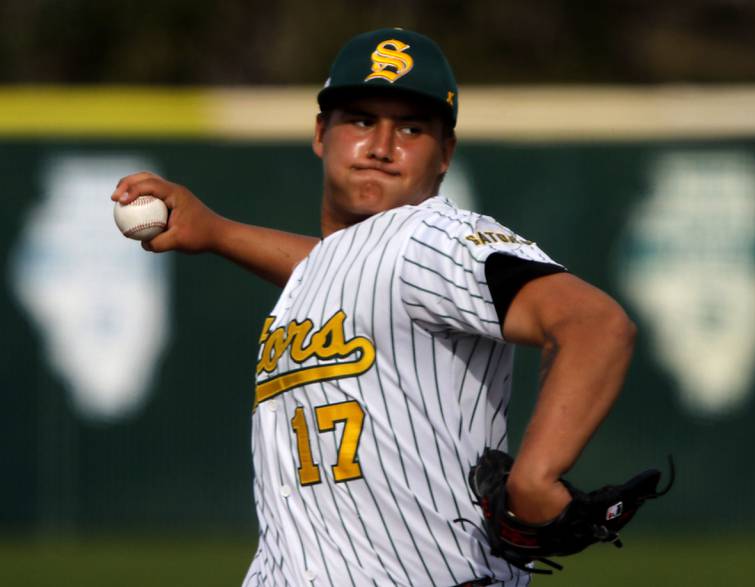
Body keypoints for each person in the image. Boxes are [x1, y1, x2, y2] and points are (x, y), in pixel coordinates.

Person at [112, 28, 635, 587]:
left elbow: (594, 323)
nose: (382, 145)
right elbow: (335, 268)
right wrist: (217, 232)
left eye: (411, 128)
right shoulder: (345, 269)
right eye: (361, 120)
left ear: (445, 155)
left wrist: (536, 477)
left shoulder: (437, 234)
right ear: (321, 133)